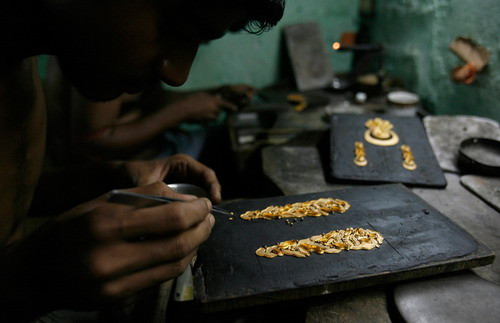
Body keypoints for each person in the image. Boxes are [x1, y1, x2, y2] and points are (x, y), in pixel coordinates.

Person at [0, 0, 285, 322]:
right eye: (178, 29)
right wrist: (24, 282)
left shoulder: (18, 66)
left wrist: (115, 177)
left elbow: (15, 198)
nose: (177, 75)